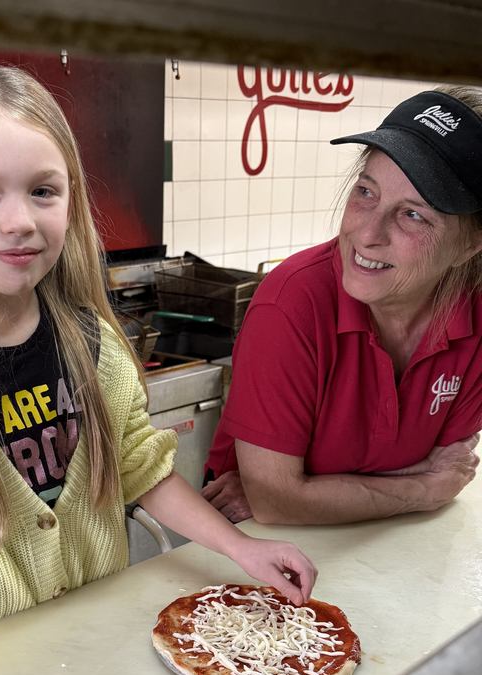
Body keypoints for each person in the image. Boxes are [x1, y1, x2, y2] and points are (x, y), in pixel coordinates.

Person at [0, 63, 316, 658]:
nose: (19, 221)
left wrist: (239, 548)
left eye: (43, 190)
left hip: (98, 645)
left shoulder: (89, 336)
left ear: (71, 198)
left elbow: (140, 466)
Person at [204, 85, 482, 525]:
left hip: (395, 547)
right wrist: (423, 488)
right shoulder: (292, 303)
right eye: (366, 192)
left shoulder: (476, 316)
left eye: (413, 214)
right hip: (261, 561)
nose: (366, 233)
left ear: (471, 245)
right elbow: (276, 503)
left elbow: (452, 466)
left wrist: (306, 491)